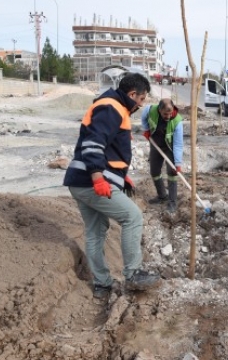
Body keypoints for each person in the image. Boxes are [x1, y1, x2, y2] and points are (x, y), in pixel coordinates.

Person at [63, 72, 161, 300]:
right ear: (132, 94)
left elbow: (108, 149)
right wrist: (98, 177)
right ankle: (133, 273)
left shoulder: (112, 107)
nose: (142, 104)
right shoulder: (112, 108)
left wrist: (119, 176)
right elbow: (93, 143)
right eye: (142, 99)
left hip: (79, 181)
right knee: (133, 217)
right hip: (90, 181)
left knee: (96, 232)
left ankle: (102, 284)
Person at [141, 98, 184, 213]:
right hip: (156, 144)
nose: (168, 116)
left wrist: (178, 163)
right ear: (159, 110)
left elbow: (178, 145)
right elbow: (143, 116)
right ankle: (162, 196)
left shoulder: (177, 121)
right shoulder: (150, 110)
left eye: (170, 113)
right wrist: (146, 129)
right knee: (154, 171)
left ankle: (172, 202)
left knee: (172, 172)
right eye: (165, 114)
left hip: (169, 147)